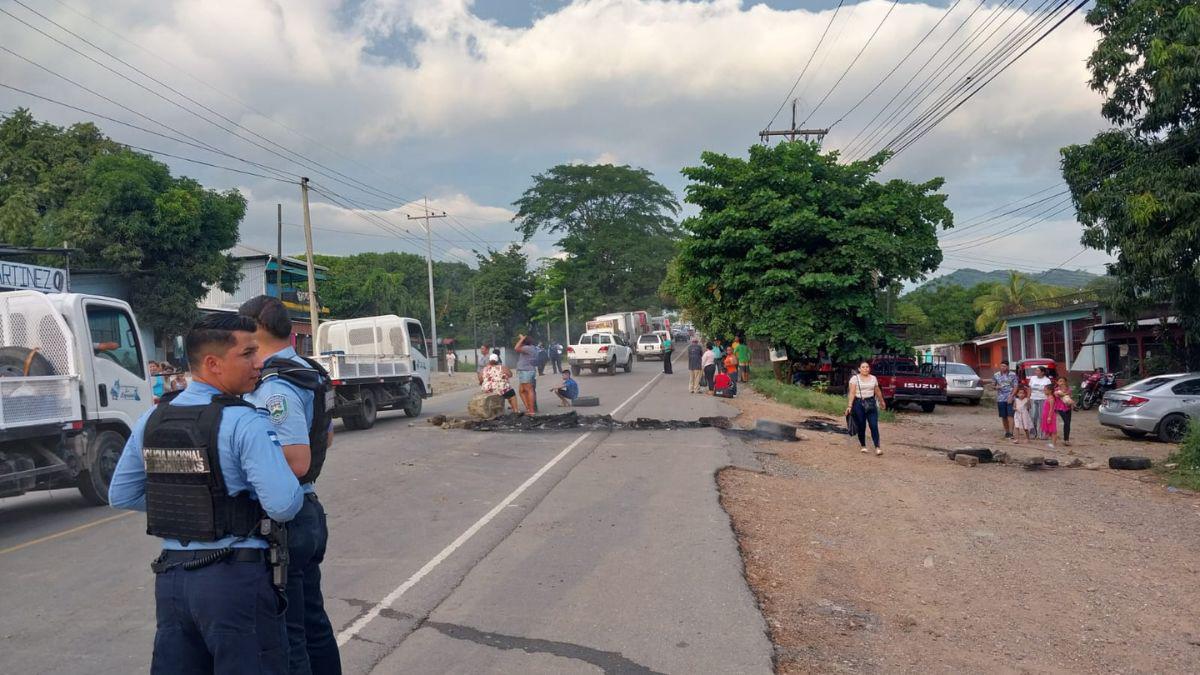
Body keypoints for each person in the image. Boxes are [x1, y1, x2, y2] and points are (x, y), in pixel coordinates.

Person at [108, 313, 305, 674]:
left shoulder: (152, 419)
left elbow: (122, 494)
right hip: (235, 582)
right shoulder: (245, 421)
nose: (258, 363)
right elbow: (283, 504)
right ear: (213, 364)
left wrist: (192, 507)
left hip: (173, 582)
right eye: (247, 354)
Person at [238, 296, 341, 675]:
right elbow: (325, 437)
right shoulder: (309, 371)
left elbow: (297, 461)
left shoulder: (273, 385)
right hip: (308, 509)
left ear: (256, 330)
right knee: (312, 622)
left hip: (288, 518)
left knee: (289, 631)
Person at [845, 361, 886, 456]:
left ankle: (877, 447)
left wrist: (881, 401)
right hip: (858, 404)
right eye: (863, 367)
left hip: (871, 403)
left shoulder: (873, 378)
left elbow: (877, 391)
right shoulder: (855, 379)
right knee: (861, 426)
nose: (865, 369)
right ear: (859, 369)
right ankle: (863, 446)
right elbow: (852, 393)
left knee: (874, 425)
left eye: (867, 367)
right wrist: (850, 406)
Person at [993, 360, 1019, 439]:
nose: (1002, 368)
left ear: (1007, 367)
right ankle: (1006, 432)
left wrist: (1011, 396)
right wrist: (996, 387)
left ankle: (1011, 432)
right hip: (1000, 398)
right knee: (1003, 416)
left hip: (1010, 397)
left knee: (1010, 415)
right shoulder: (996, 375)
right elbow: (993, 385)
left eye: (1004, 366)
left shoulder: (1013, 375)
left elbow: (1016, 386)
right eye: (1001, 366)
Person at [514, 334, 538, 414]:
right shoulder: (532, 348)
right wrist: (523, 339)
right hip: (527, 371)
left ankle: (531, 410)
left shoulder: (527, 348)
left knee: (528, 390)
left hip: (526, 371)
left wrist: (521, 339)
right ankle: (529, 408)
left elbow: (516, 348)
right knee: (522, 390)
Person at [1028, 366, 1053, 439]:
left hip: (1043, 399)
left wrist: (1049, 399)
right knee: (1033, 416)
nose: (1036, 372)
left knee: (1042, 417)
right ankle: (1033, 433)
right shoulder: (1032, 378)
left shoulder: (1047, 380)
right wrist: (1028, 397)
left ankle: (1042, 434)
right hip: (1033, 399)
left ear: (1043, 372)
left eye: (1038, 370)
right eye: (1036, 370)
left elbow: (1049, 390)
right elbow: (1029, 388)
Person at [1053, 376, 1074, 447]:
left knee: (1068, 423)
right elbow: (1058, 394)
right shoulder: (1056, 390)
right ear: (1057, 382)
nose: (1061, 383)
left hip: (1068, 408)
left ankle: (1066, 440)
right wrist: (1065, 394)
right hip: (1060, 408)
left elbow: (1069, 398)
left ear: (1065, 382)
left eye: (1063, 381)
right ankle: (1066, 440)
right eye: (1060, 381)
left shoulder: (1068, 390)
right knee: (1066, 422)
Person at [1041, 383, 1059, 449]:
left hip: (1050, 416)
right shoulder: (1048, 397)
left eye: (1045, 390)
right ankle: (1052, 443)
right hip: (1046, 415)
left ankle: (1054, 444)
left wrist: (1049, 417)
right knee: (1050, 430)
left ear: (1050, 391)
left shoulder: (1051, 398)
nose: (1044, 391)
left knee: (1053, 430)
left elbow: (1051, 409)